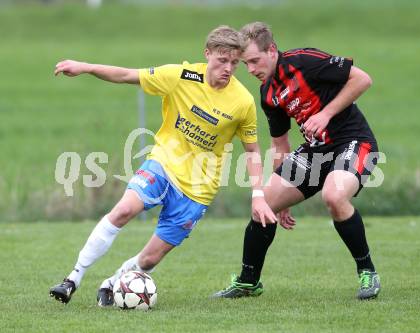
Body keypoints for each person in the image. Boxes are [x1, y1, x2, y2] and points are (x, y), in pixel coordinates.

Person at [49, 25, 277, 306]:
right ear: (207, 54)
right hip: (164, 165)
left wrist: (258, 195)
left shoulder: (242, 101)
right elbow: (126, 75)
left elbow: (252, 151)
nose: (228, 68)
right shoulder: (181, 76)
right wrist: (85, 66)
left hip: (198, 189)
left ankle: (112, 283)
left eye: (234, 63)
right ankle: (73, 278)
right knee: (123, 210)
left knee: (150, 258)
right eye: (222, 60)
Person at [213, 22, 381, 300]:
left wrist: (325, 115)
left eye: (255, 60)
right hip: (316, 151)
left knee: (335, 196)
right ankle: (248, 282)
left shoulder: (304, 62)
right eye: (246, 64)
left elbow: (362, 79)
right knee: (263, 204)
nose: (251, 69)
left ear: (272, 50)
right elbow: (280, 144)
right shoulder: (268, 93)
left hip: (353, 141)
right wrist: (283, 199)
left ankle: (368, 272)